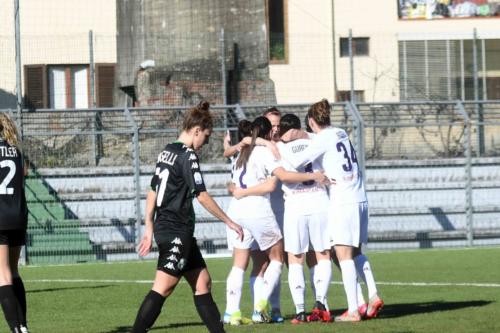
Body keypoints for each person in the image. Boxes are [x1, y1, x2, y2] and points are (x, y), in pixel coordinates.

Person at [131, 101, 244, 333]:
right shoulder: (187, 155)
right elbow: (201, 196)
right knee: (163, 286)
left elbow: (152, 190)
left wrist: (149, 227)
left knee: (203, 282)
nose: (206, 142)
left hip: (171, 229)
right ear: (196, 131)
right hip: (176, 230)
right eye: (206, 136)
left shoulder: (167, 151)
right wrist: (229, 221)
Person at [283, 99, 383, 322]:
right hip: (360, 198)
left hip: (343, 201)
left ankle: (353, 310)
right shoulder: (340, 133)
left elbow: (298, 161)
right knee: (356, 252)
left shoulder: (322, 139)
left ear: (311, 121)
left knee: (343, 255)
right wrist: (306, 136)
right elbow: (324, 144)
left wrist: (278, 143)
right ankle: (373, 294)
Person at [224, 116, 326, 324]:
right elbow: (272, 185)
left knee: (241, 263)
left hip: (237, 212)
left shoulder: (242, 152)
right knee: (278, 257)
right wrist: (313, 176)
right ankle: (260, 307)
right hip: (257, 208)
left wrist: (238, 191)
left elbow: (230, 178)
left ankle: (231, 313)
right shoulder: (265, 152)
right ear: (269, 132)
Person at [0, 113, 29, 333]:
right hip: (18, 215)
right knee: (14, 271)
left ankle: (15, 329)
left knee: (2, 274)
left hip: (0, 216)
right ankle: (24, 326)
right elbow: (23, 176)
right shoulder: (17, 152)